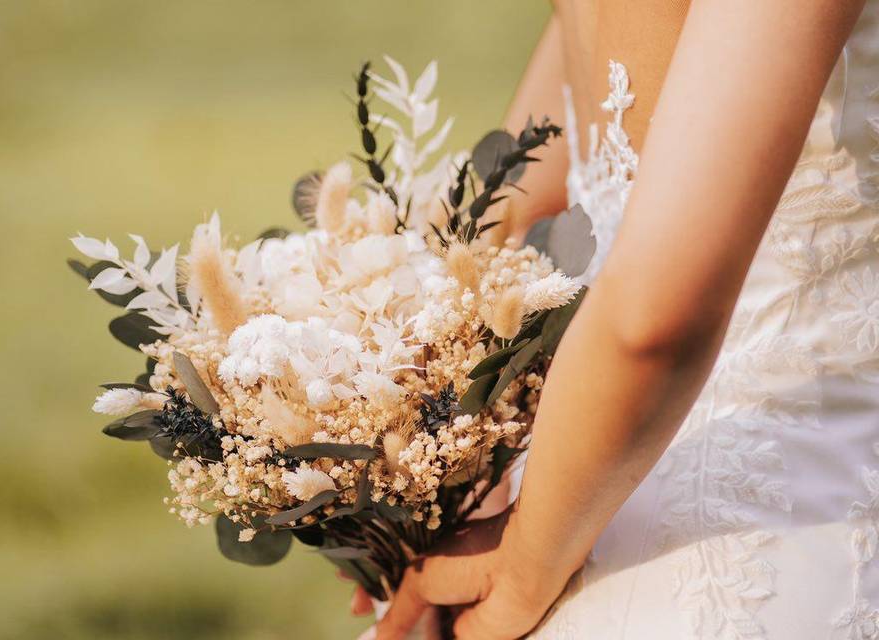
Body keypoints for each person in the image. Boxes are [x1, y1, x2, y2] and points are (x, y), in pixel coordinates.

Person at [365, 1, 879, 638]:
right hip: (775, 540)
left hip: (562, 492)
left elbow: (506, 207)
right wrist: (515, 557)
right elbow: (650, 321)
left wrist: (439, 459)